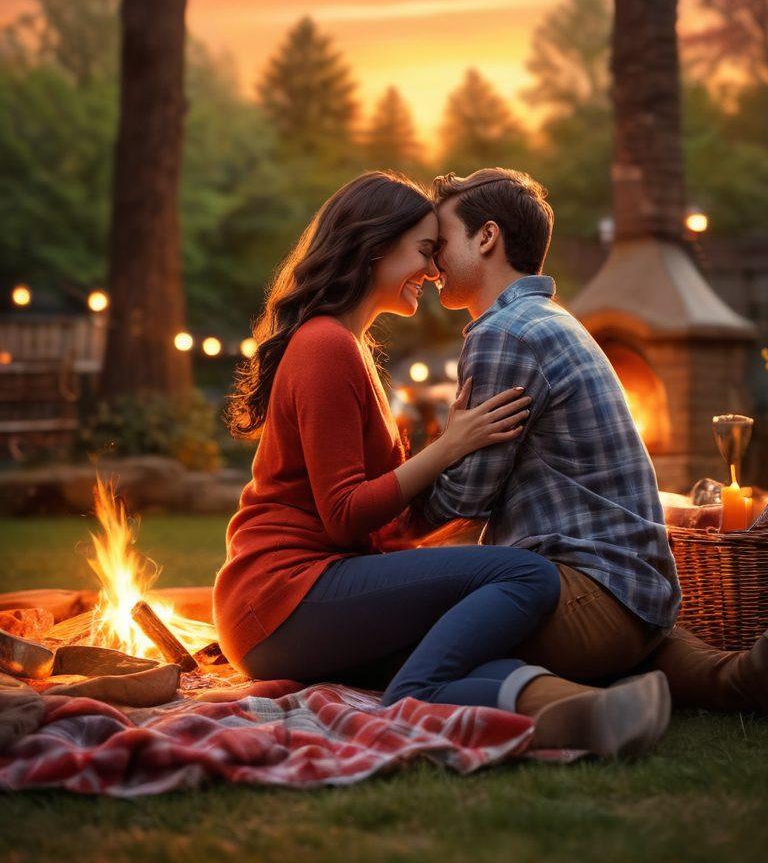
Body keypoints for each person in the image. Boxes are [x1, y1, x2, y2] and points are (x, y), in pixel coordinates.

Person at [213, 171, 672, 755]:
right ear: (377, 246)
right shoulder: (324, 345)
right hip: (282, 592)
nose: (432, 271)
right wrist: (449, 448)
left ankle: (580, 711)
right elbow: (343, 515)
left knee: (451, 643)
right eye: (424, 251)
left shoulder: (348, 348)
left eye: (437, 250)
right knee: (523, 573)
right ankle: (419, 694)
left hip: (313, 595)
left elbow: (378, 513)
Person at [419, 167, 768, 722]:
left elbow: (461, 503)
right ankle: (756, 672)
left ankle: (597, 707)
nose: (431, 262)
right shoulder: (557, 321)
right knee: (696, 675)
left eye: (440, 243)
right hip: (644, 599)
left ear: (486, 237)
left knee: (419, 638)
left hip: (585, 601)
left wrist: (420, 467)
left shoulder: (503, 333)